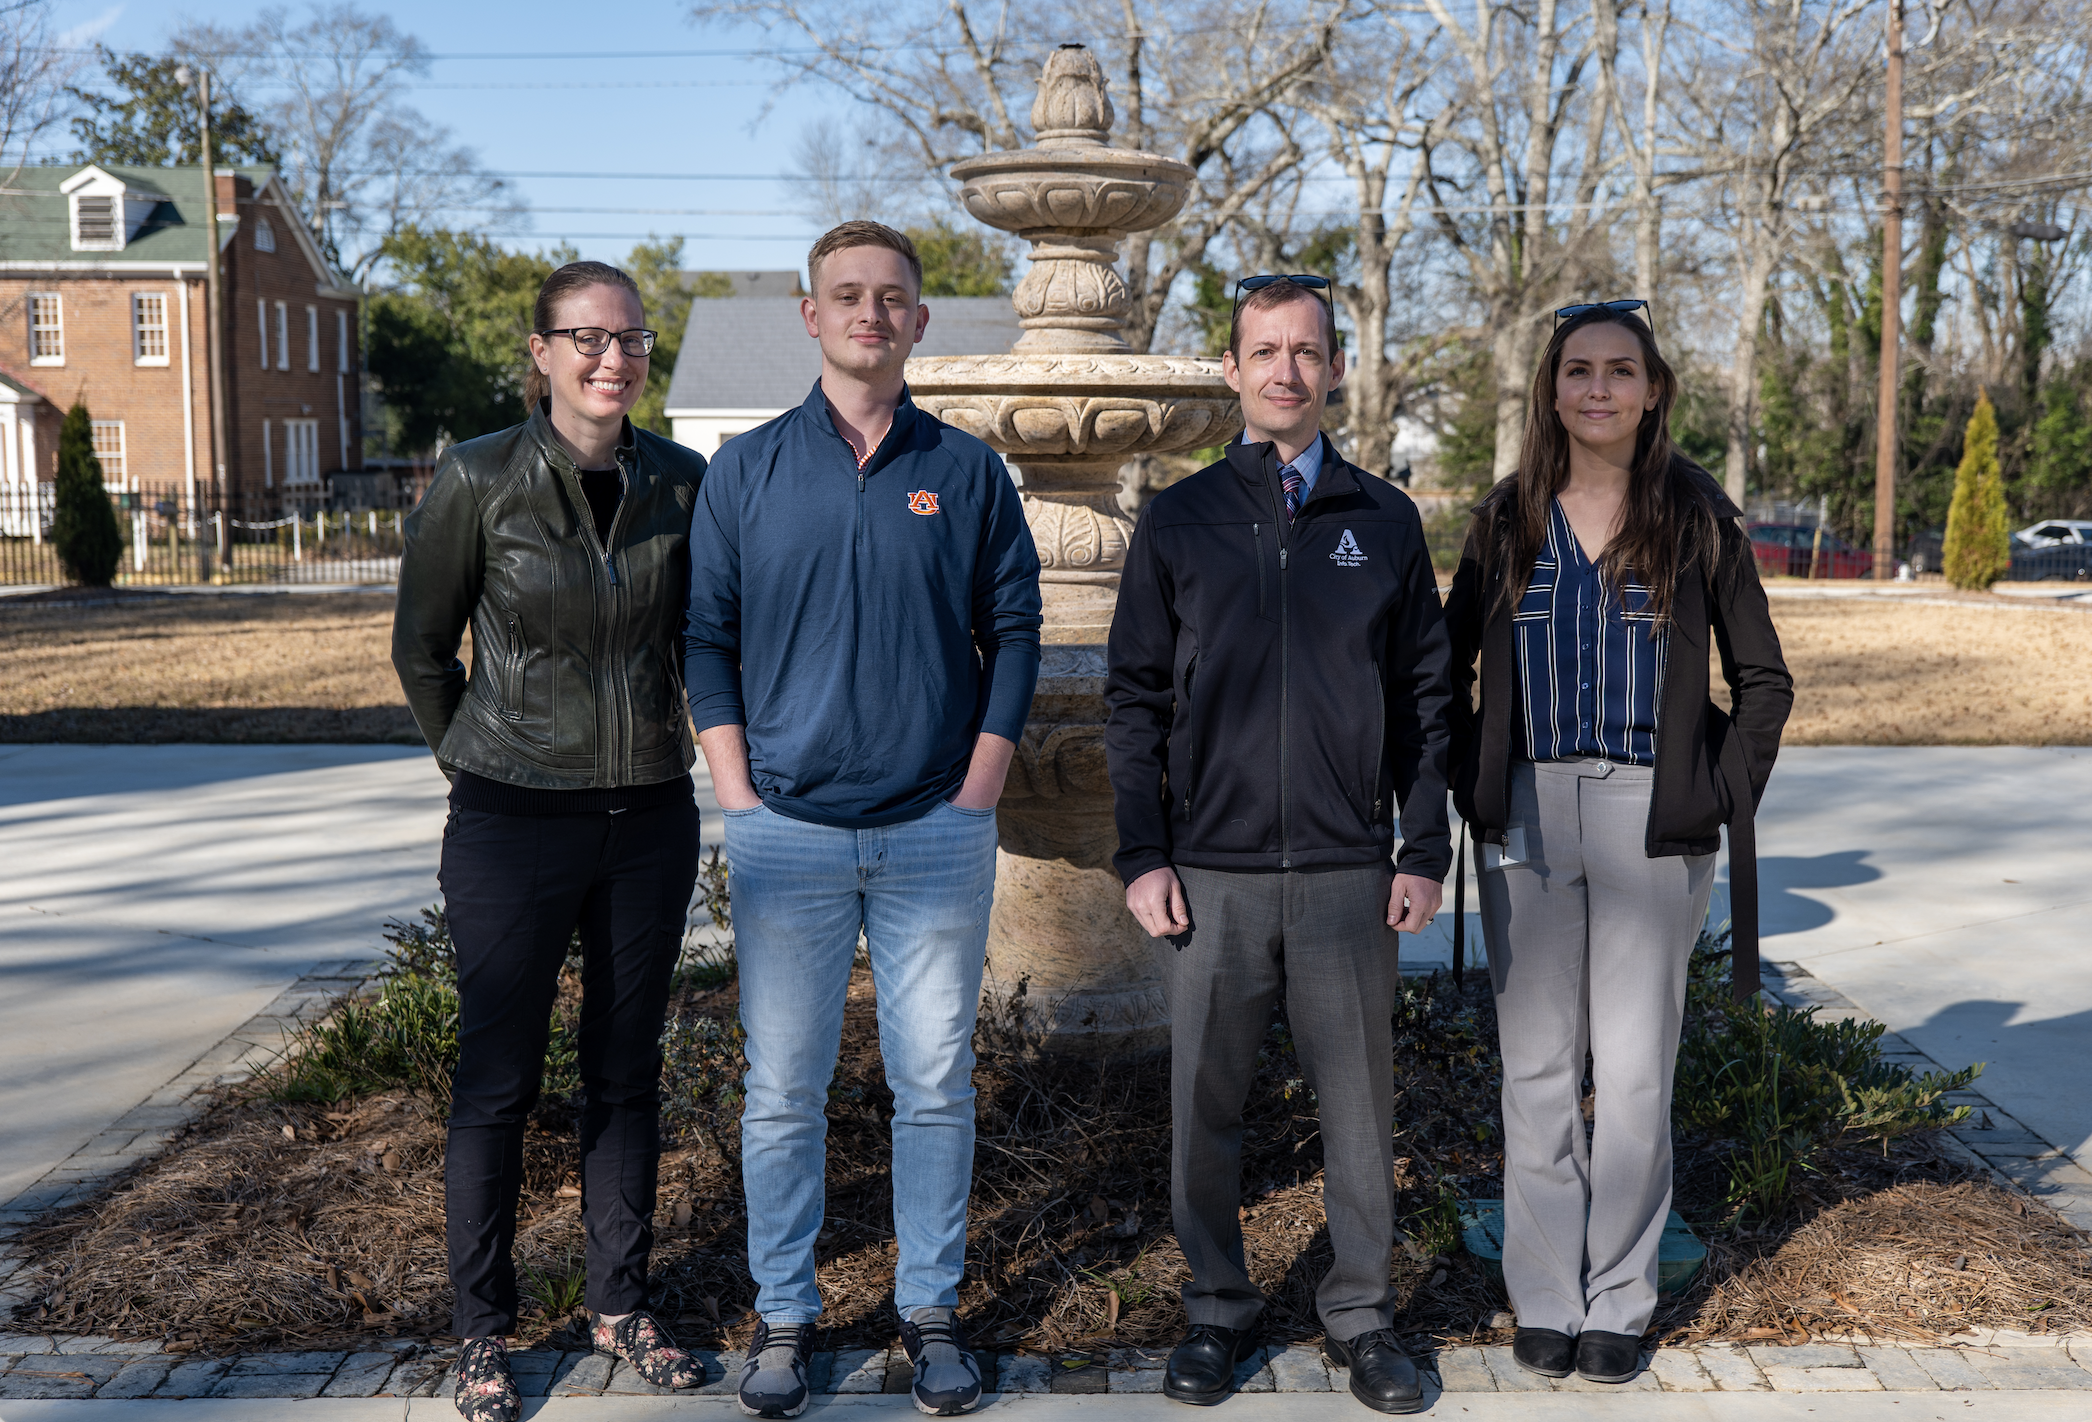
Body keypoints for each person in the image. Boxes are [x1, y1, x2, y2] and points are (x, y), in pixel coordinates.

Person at [682, 220, 1043, 1420]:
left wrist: (979, 784)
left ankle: (929, 1311)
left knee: (933, 1082)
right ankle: (785, 1316)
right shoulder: (746, 468)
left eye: (892, 297)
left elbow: (1015, 632)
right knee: (783, 1090)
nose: (870, 314)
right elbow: (708, 639)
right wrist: (737, 792)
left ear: (919, 321)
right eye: (847, 295)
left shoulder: (969, 468)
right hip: (785, 832)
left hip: (934, 834)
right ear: (809, 315)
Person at [1104, 275, 1454, 1416]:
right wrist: (1142, 855)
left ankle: (1361, 1318)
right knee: (1203, 1106)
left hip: (1352, 874)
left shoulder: (1382, 520)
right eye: (1265, 350)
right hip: (1211, 875)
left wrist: (1421, 847)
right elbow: (1134, 698)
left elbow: (1424, 700)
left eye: (1306, 350)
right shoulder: (1182, 515)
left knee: (1360, 1114)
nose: (1285, 369)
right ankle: (1215, 1309)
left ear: (1334, 369)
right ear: (1232, 369)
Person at [1443, 301, 1793, 1386]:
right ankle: (1545, 1297)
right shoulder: (1508, 519)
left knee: (1636, 1075)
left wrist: (1714, 795)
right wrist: (1474, 782)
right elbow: (1441, 672)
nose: (1598, 389)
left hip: (1654, 819)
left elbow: (1764, 680)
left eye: (1620, 371)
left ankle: (1619, 1300)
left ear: (1652, 391)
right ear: (1551, 390)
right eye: (1579, 371)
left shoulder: (1696, 520)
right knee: (1537, 1071)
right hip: (1532, 815)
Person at [391, 261, 709, 1422]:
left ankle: (620, 1305)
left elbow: (704, 637)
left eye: (629, 337)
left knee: (625, 1073)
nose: (610, 358)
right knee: (496, 1080)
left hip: (647, 818)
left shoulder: (683, 480)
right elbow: (422, 649)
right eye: (585, 337)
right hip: (510, 819)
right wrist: (479, 759)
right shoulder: (478, 477)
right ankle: (483, 1330)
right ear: (540, 351)